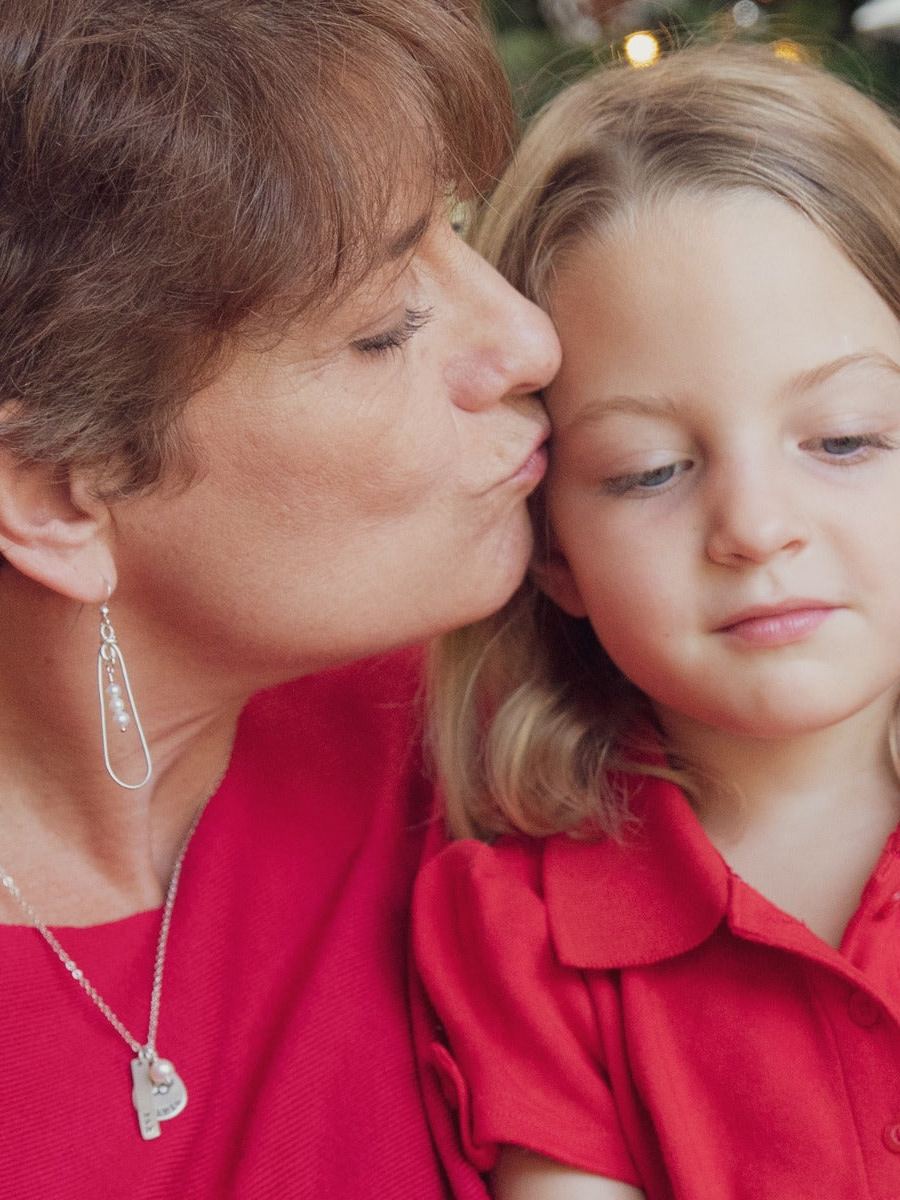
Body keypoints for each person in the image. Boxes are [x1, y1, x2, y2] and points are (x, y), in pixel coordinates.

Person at [0, 2, 560, 1197]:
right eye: (383, 329)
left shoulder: (507, 733)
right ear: (55, 494)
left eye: (458, 230)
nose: (526, 339)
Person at [413, 43, 900, 1200]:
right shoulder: (514, 931)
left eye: (842, 440)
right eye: (648, 471)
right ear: (550, 550)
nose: (755, 527)